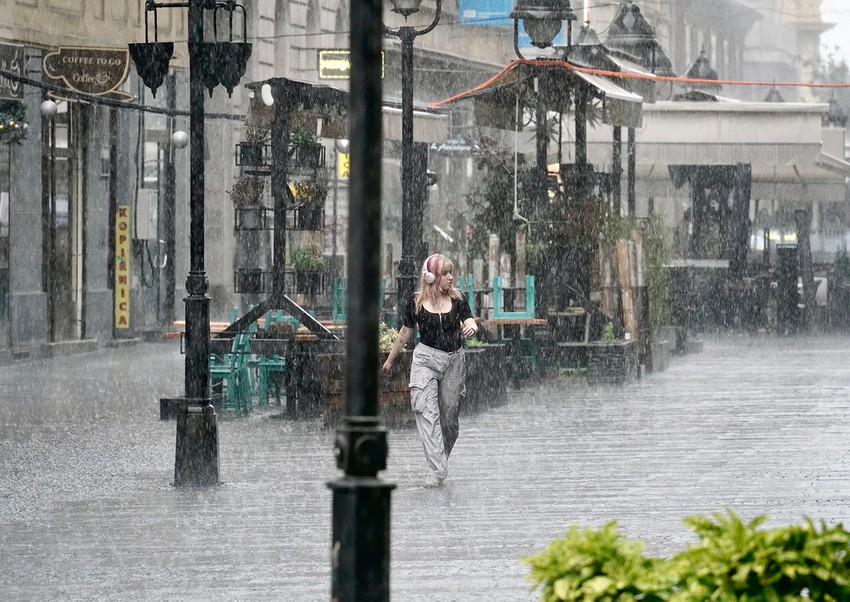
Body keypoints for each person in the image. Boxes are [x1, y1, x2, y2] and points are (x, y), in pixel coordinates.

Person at [382, 253, 478, 488]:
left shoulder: (458, 299)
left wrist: (472, 327)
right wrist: (390, 359)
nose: (450, 277)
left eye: (450, 273)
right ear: (431, 276)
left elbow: (469, 320)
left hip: (454, 360)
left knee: (450, 418)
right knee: (427, 411)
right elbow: (405, 332)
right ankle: (436, 471)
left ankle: (439, 461)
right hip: (425, 359)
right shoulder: (416, 302)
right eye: (445, 273)